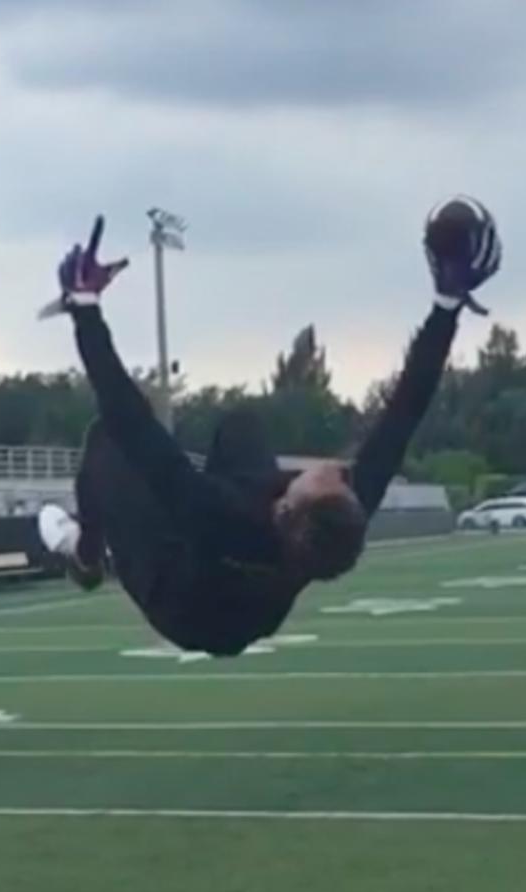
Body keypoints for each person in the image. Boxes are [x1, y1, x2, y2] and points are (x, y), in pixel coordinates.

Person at [38, 198, 501, 656]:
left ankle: (85, 555)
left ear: (286, 507)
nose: (334, 471)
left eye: (322, 481)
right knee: (241, 428)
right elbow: (405, 412)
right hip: (250, 598)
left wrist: (85, 309)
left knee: (108, 439)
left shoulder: (218, 513)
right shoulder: (337, 516)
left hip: (175, 599)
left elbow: (132, 421)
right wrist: (446, 306)